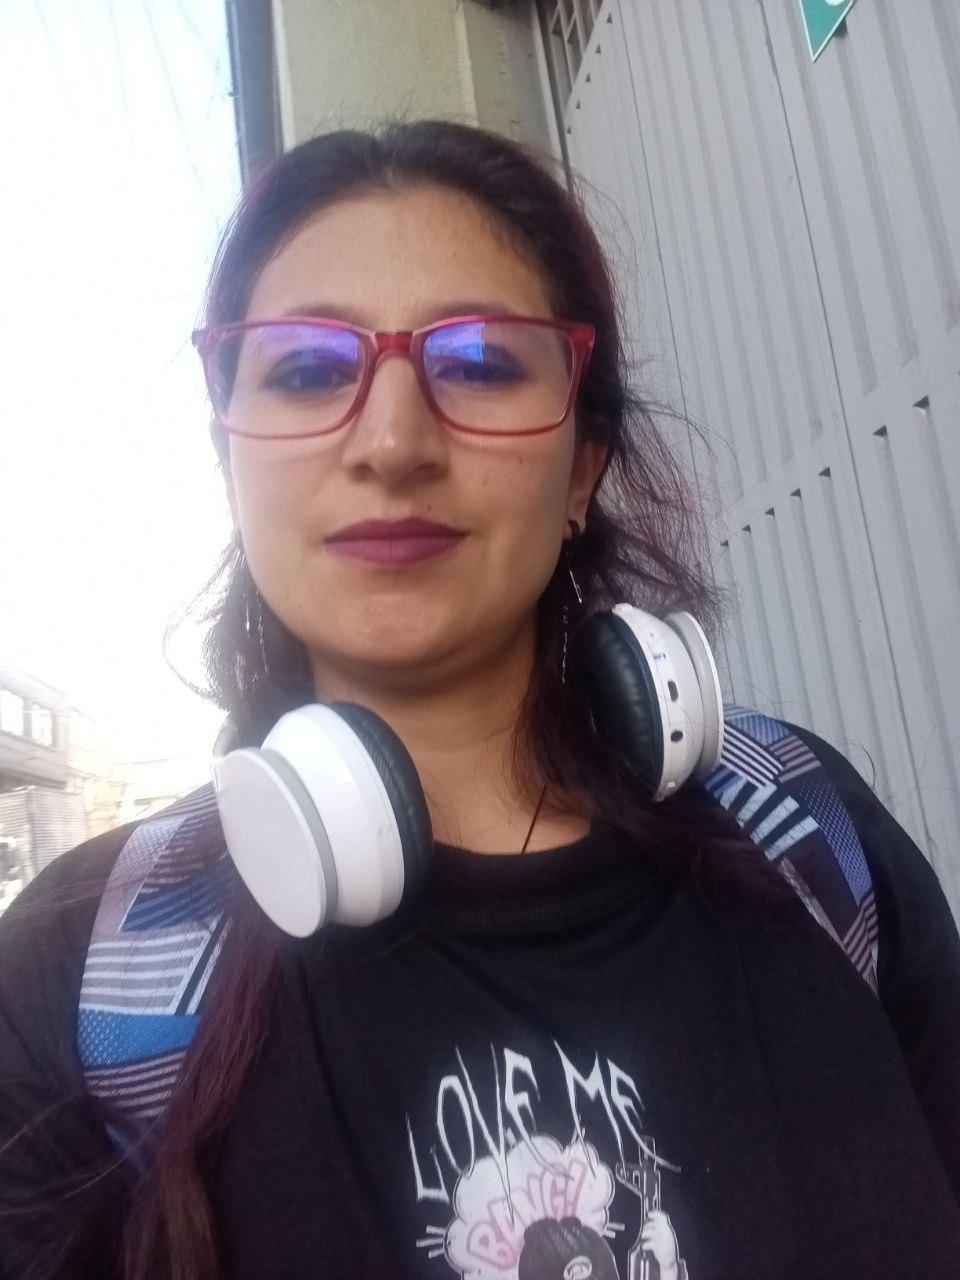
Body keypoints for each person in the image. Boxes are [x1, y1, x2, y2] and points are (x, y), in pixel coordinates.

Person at [1, 121, 958, 1280]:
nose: (393, 441)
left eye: (481, 363)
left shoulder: (807, 829)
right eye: (306, 369)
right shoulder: (87, 974)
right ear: (228, 456)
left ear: (584, 465)